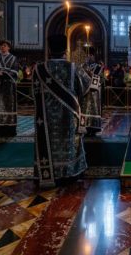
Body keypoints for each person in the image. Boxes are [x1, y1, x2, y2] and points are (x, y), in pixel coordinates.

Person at [32, 35, 91, 188]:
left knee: (49, 144)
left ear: (49, 50)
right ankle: (69, 172)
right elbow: (86, 86)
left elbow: (34, 93)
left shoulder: (39, 69)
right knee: (70, 143)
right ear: (66, 50)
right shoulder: (74, 68)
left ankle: (49, 173)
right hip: (68, 116)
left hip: (46, 118)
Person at [80, 59, 104, 137]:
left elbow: (97, 82)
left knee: (93, 110)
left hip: (93, 93)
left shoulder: (96, 68)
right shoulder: (83, 67)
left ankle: (93, 128)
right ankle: (86, 127)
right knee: (86, 110)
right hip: (88, 93)